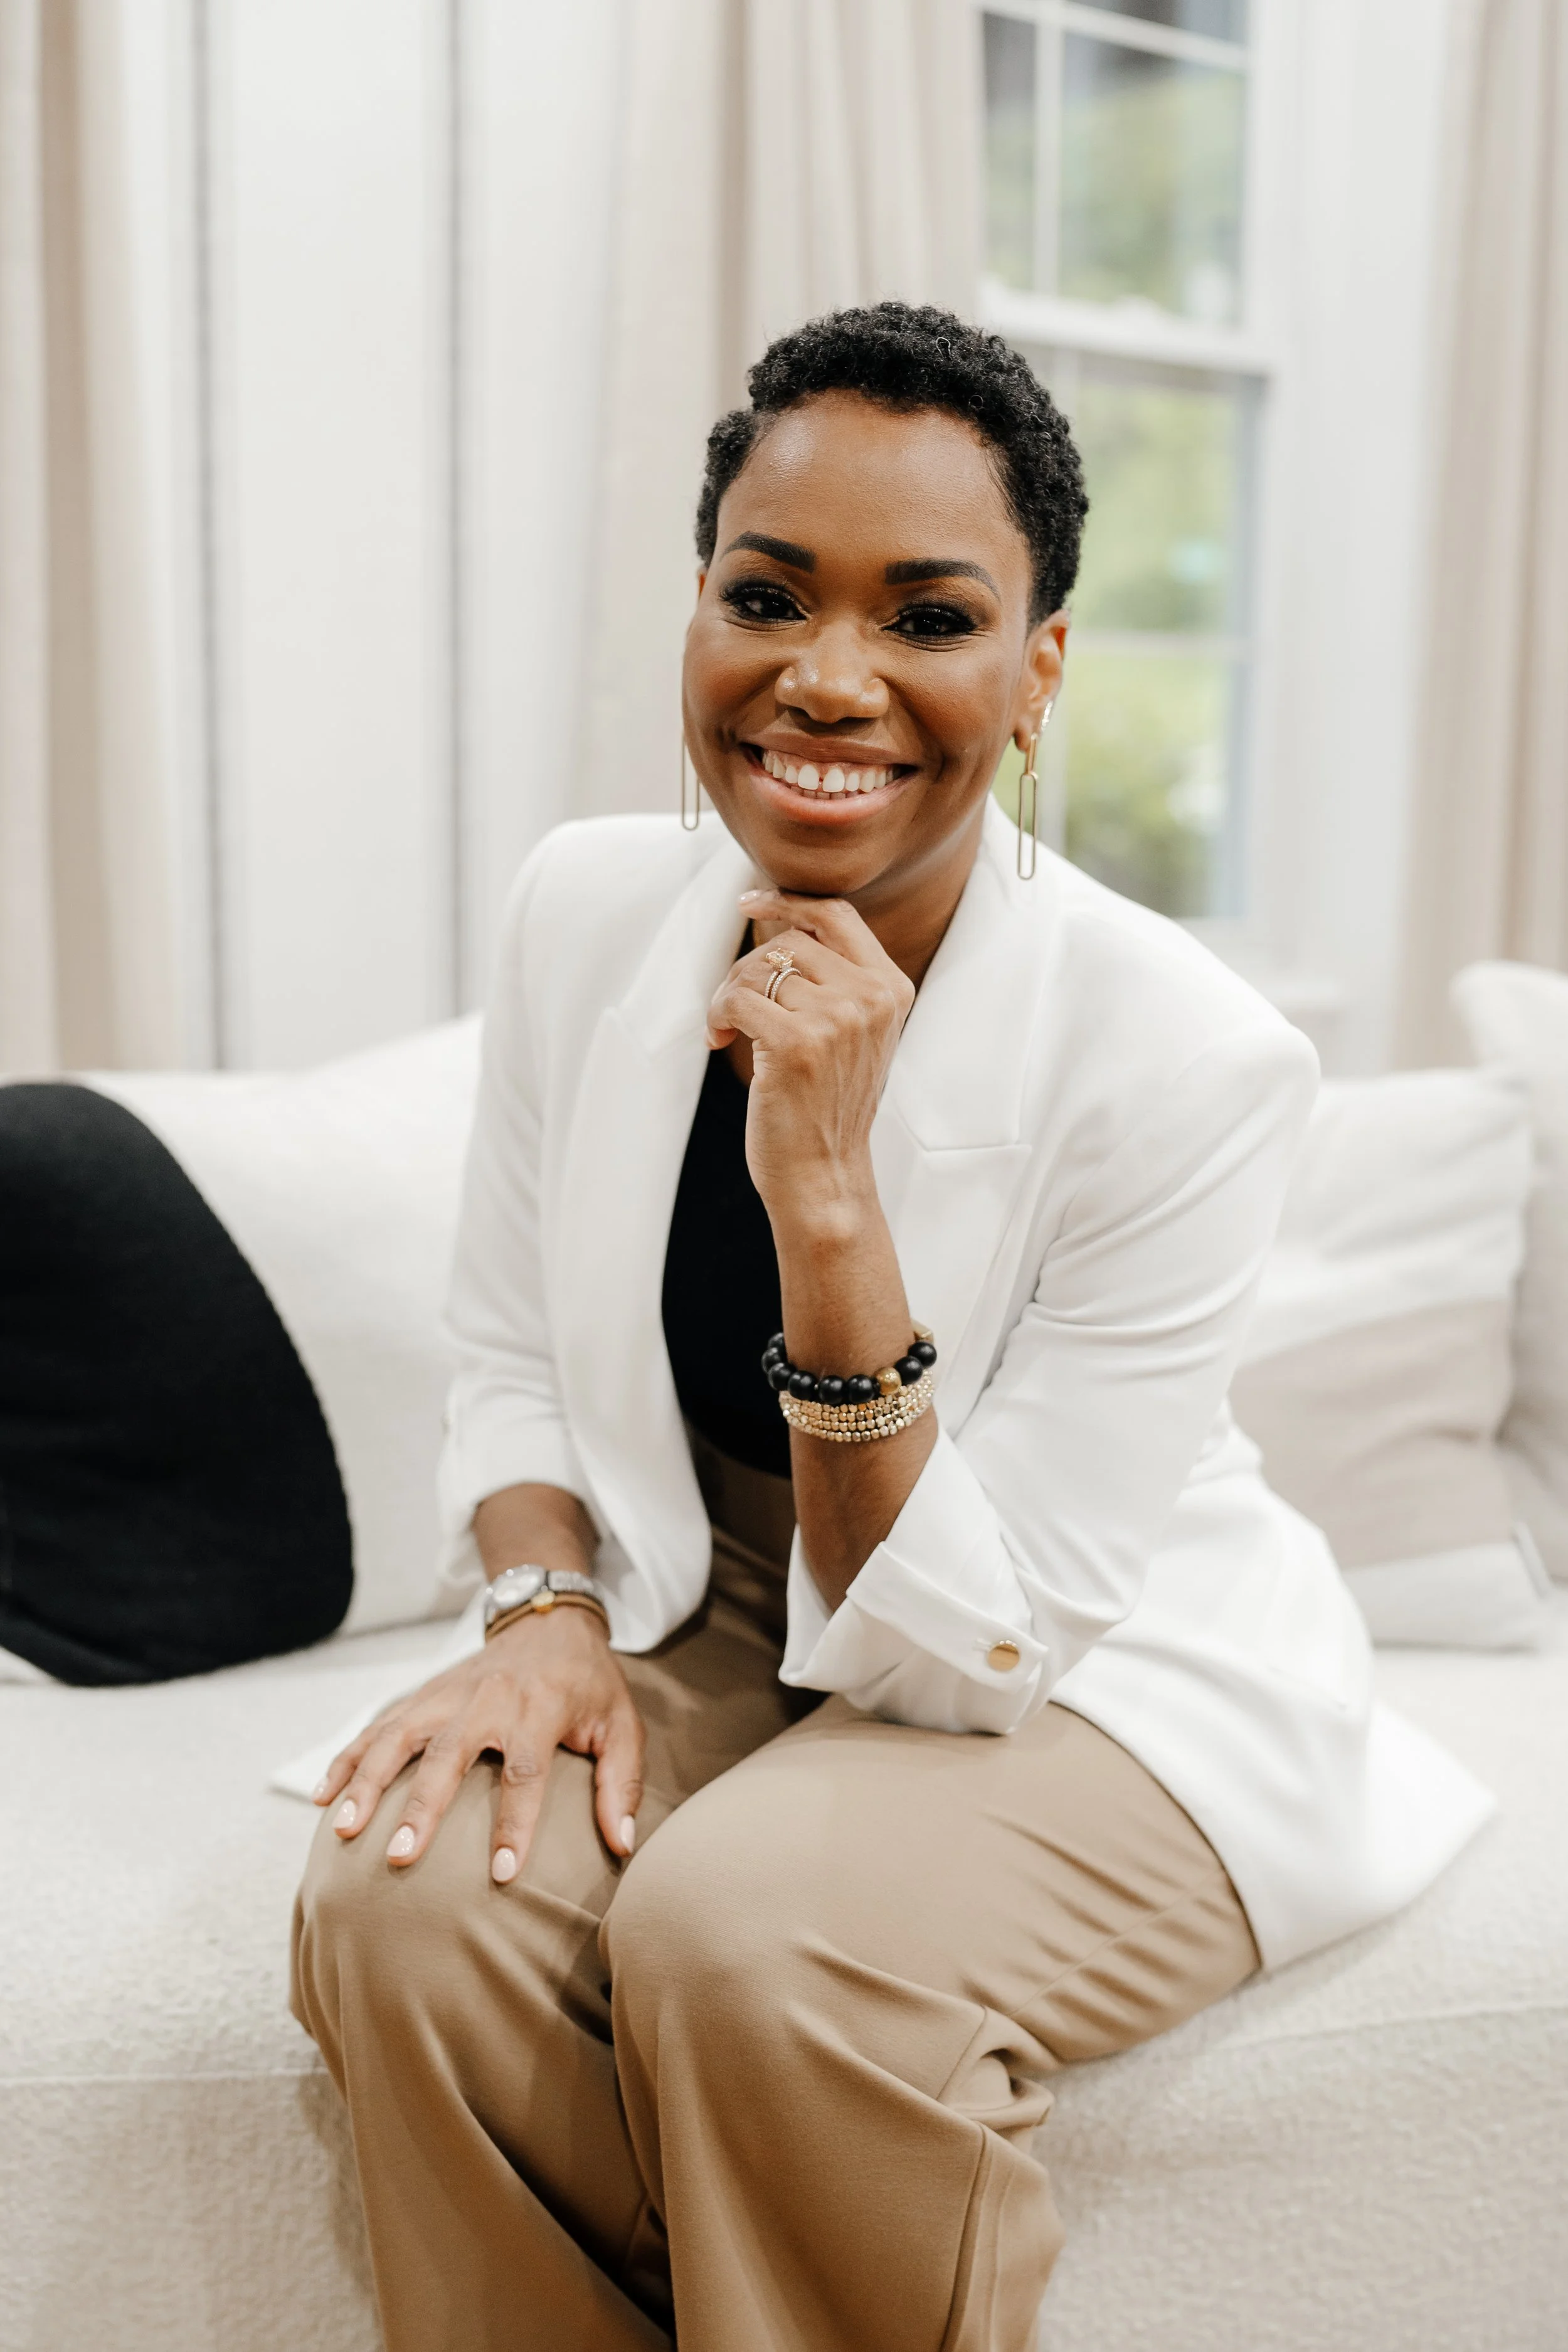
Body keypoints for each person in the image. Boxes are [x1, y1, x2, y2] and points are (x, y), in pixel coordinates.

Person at [291, 303, 1483, 2352]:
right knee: (409, 1899)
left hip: (1083, 1656)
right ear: (695, 614)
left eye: (927, 616)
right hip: (717, 1595)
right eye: (768, 596)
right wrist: (541, 1612)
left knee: (751, 1934)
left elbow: (959, 1643)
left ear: (1033, 675)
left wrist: (826, 1205)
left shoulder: (1188, 1058)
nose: (826, 677)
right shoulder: (584, 911)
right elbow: (501, 1349)